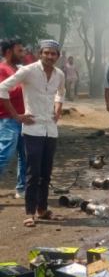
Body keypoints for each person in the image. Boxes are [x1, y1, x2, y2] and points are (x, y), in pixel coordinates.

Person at [0, 39, 65, 227]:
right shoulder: (28, 71)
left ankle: (42, 209)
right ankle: (30, 212)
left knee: (46, 172)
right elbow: (3, 87)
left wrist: (58, 108)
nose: (49, 57)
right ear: (40, 53)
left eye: (53, 54)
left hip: (50, 129)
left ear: (57, 57)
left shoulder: (59, 74)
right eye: (46, 53)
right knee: (32, 172)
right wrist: (15, 115)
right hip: (33, 128)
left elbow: (61, 93)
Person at [0, 38, 27, 198]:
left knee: (25, 155)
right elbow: (6, 92)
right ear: (9, 52)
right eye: (19, 51)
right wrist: (26, 83)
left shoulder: (17, 69)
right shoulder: (2, 69)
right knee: (5, 154)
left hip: (22, 119)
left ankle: (22, 189)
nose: (22, 54)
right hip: (8, 119)